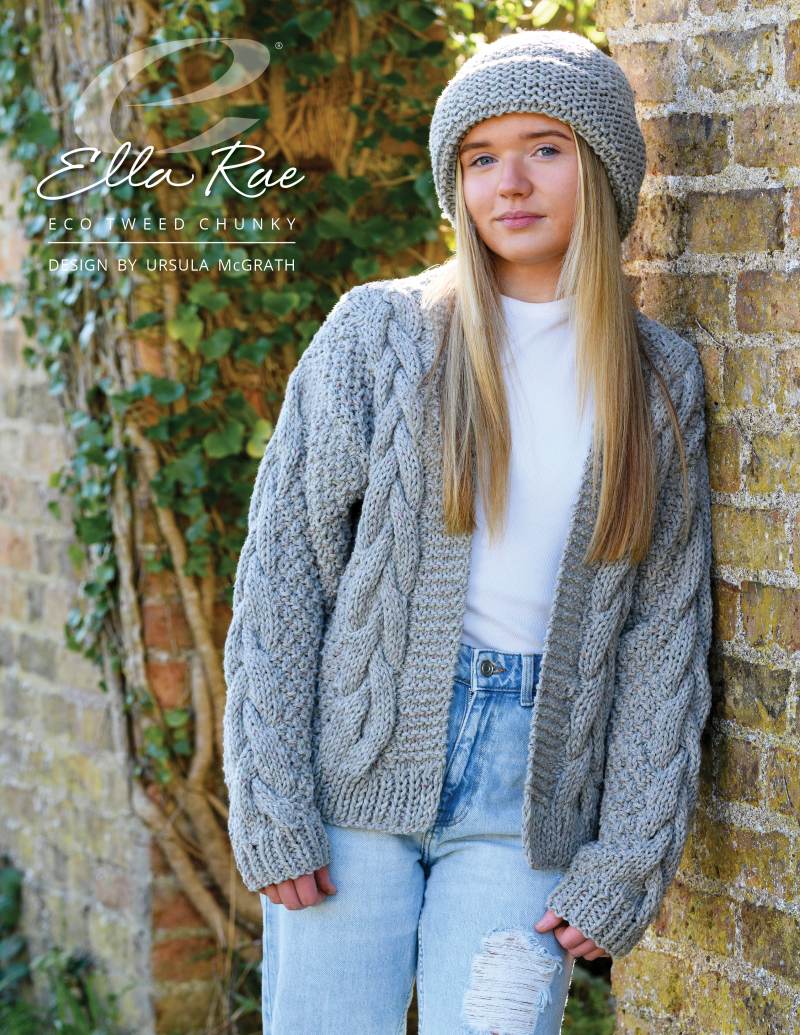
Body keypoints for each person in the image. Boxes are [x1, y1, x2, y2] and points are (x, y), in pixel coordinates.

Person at [222, 28, 714, 1035]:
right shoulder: (380, 333)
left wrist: (627, 858)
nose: (510, 183)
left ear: (603, 169)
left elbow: (663, 629)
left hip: (528, 799)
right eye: (481, 158)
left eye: (544, 149)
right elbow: (283, 576)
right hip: (353, 772)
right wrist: (270, 801)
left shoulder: (658, 378)